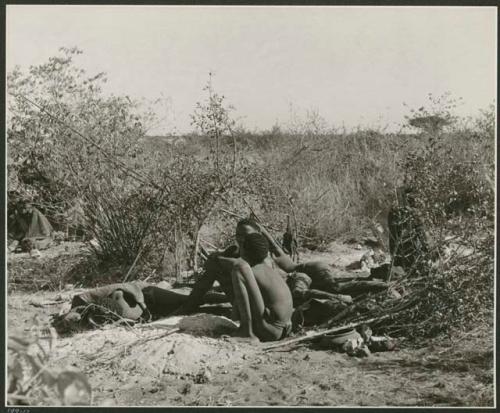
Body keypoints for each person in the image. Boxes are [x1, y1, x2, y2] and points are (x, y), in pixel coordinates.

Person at [169, 218, 262, 315]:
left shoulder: (262, 255)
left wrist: (217, 259)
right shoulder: (233, 251)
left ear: (258, 234)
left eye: (246, 234)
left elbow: (242, 266)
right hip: (238, 301)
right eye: (238, 235)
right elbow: (216, 261)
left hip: (257, 306)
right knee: (214, 265)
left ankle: (187, 306)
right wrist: (216, 256)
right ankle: (188, 305)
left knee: (216, 264)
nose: (241, 239)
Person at [221, 232, 293, 342]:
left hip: (269, 330)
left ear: (244, 250)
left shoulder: (250, 271)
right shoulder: (268, 269)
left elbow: (235, 315)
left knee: (239, 267)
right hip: (284, 329)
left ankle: (247, 333)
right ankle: (247, 331)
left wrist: (219, 259)